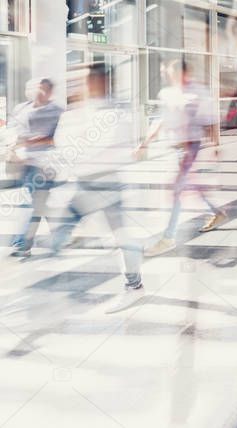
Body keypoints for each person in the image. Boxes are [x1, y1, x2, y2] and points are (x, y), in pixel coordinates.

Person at [49, 63, 144, 314]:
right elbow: (62, 140)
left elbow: (105, 148)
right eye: (87, 80)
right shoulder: (82, 110)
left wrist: (76, 149)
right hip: (83, 181)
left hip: (105, 181)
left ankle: (134, 285)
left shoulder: (116, 112)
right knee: (68, 223)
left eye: (91, 80)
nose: (87, 85)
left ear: (104, 81)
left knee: (117, 237)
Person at [140, 59, 226, 257]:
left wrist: (215, 146)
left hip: (191, 147)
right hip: (175, 148)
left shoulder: (198, 92)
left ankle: (168, 238)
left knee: (176, 190)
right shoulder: (167, 94)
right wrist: (145, 142)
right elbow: (160, 121)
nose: (166, 75)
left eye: (169, 71)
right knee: (191, 187)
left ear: (181, 72)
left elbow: (211, 121)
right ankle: (217, 212)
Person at [7, 78, 64, 257]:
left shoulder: (57, 111)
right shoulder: (21, 109)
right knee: (39, 203)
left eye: (43, 89)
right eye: (36, 89)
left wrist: (32, 141)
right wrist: (12, 147)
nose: (39, 93)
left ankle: (22, 243)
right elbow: (13, 132)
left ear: (49, 92)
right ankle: (60, 236)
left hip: (45, 164)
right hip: (24, 163)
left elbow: (59, 137)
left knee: (29, 203)